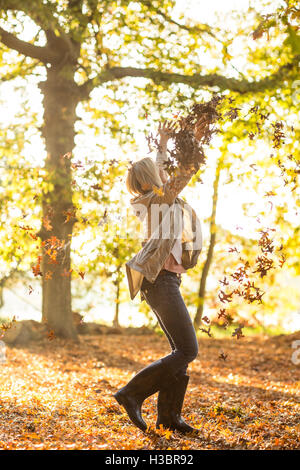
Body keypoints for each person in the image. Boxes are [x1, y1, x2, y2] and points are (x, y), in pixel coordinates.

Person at [113, 116, 208, 434]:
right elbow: (177, 178)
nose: (164, 175)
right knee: (187, 350)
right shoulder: (154, 200)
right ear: (150, 180)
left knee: (179, 353)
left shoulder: (160, 197)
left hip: (166, 282)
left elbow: (167, 170)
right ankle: (132, 394)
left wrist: (165, 141)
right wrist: (194, 148)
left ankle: (169, 417)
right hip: (160, 283)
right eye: (159, 174)